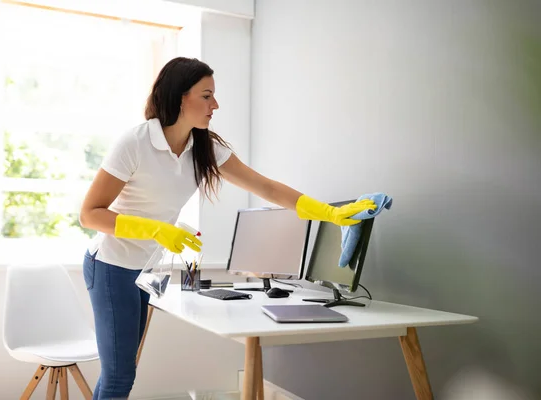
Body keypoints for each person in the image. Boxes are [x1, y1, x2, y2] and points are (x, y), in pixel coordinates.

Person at [79, 56, 375, 399]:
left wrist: (328, 213)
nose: (215, 104)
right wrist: (155, 230)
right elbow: (89, 214)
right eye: (206, 95)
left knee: (120, 371)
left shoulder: (204, 147)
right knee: (120, 376)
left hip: (143, 270)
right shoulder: (135, 142)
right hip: (110, 266)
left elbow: (267, 188)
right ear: (179, 97)